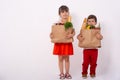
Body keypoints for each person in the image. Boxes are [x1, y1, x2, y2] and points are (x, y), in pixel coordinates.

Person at [50, 5, 75, 79]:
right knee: (60, 59)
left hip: (67, 43)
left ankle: (67, 73)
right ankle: (61, 73)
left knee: (67, 59)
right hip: (59, 43)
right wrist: (51, 35)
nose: (65, 13)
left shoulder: (70, 23)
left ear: (68, 13)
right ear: (59, 14)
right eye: (62, 12)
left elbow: (73, 32)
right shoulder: (56, 23)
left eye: (66, 11)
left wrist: (72, 34)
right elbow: (53, 33)